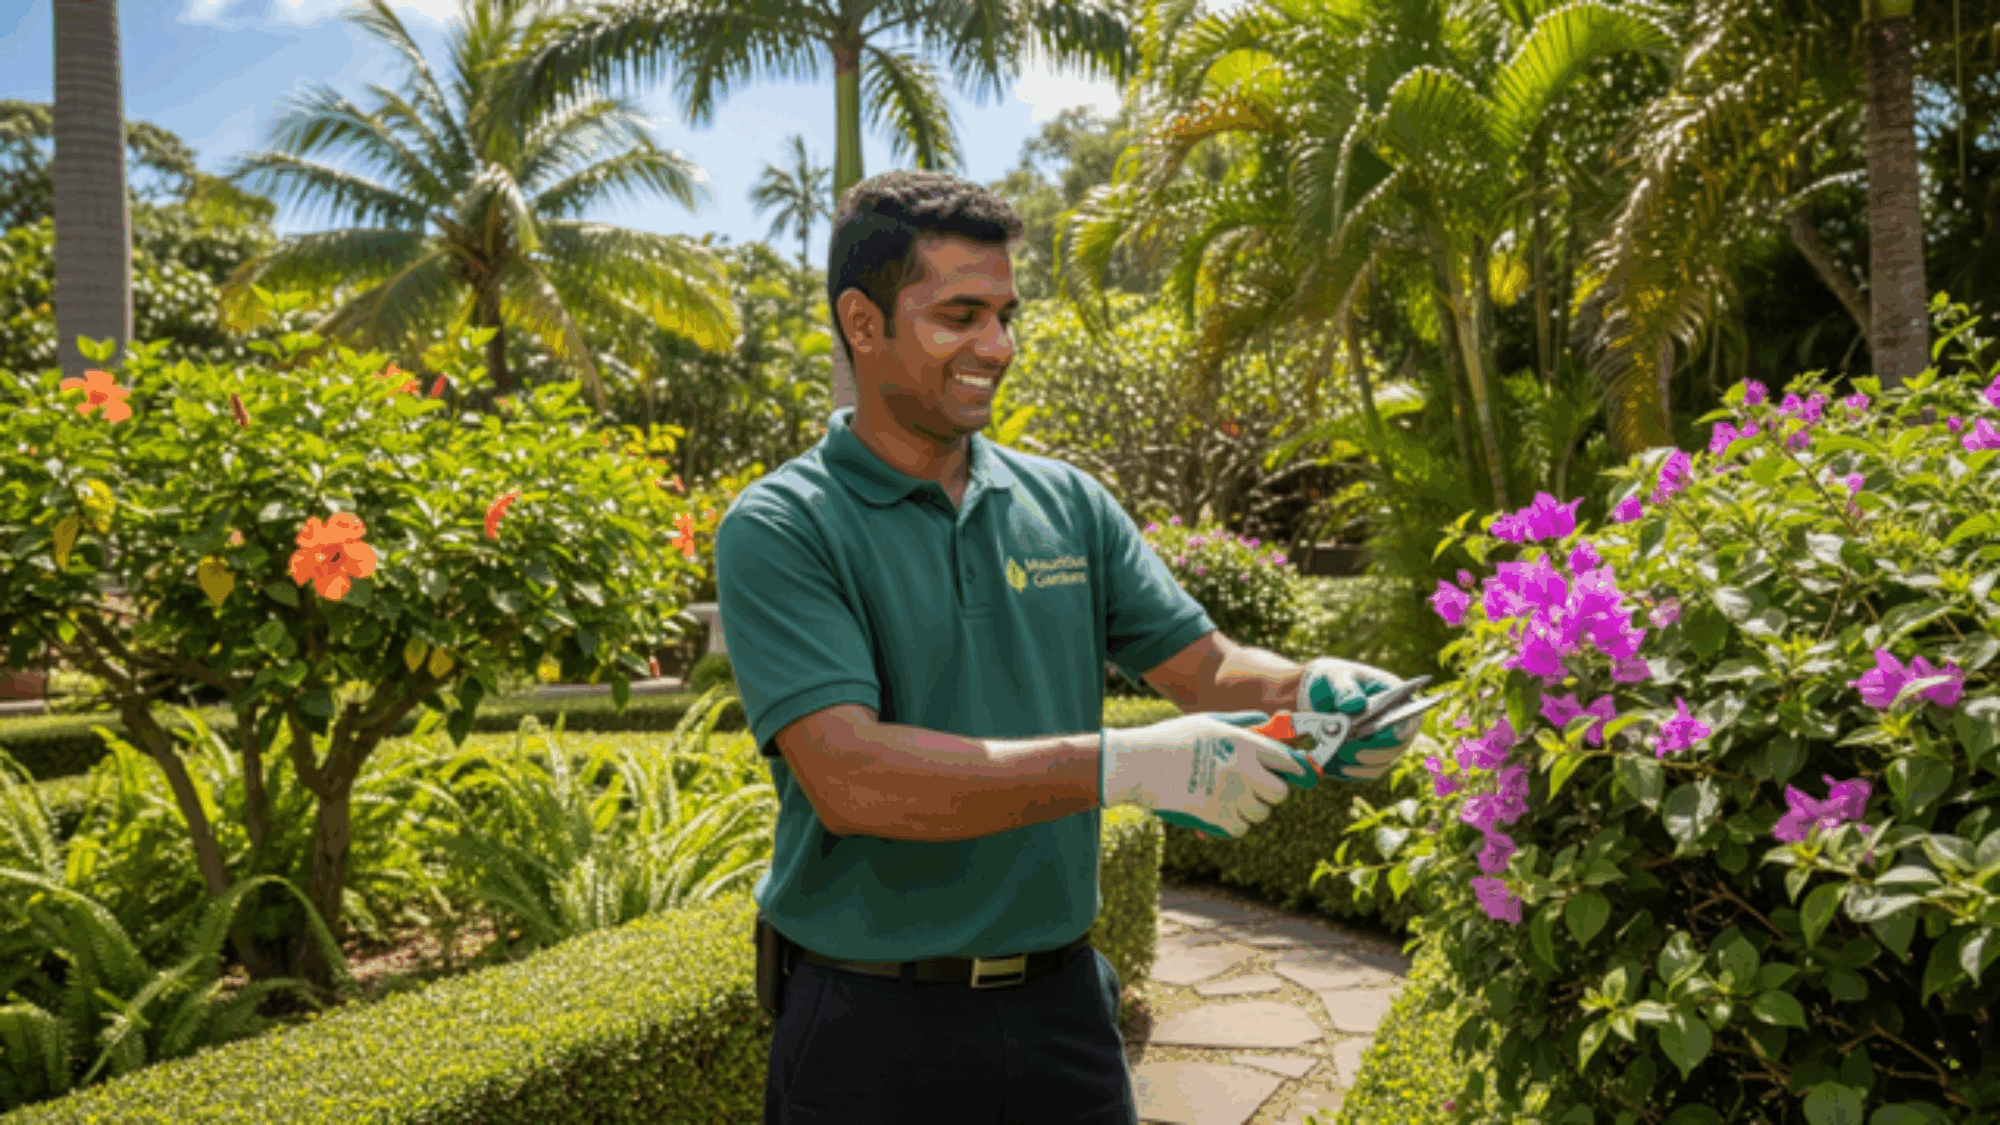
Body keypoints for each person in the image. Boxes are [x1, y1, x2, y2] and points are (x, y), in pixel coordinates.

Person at [714, 170, 1424, 1125]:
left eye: (1006, 315)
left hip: (1064, 1018)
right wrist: (1120, 765)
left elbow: (1202, 667)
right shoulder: (784, 525)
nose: (998, 347)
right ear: (862, 320)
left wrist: (1313, 687)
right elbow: (853, 777)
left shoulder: (1066, 504)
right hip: (868, 1029)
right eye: (960, 316)